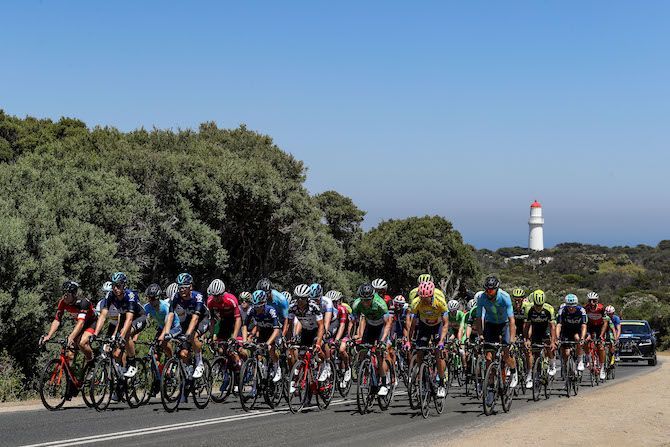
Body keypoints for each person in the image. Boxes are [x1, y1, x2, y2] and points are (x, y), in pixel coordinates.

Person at [473, 275, 518, 406]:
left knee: (505, 353)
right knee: (488, 358)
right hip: (490, 324)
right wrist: (480, 335)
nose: (489, 293)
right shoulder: (482, 298)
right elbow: (478, 318)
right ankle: (491, 388)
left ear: (497, 290)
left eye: (491, 290)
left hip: (504, 324)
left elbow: (512, 320)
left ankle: (514, 372)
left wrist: (512, 339)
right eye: (487, 290)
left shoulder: (504, 297)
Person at [93, 272, 147, 378]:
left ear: (124, 285)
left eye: (118, 285)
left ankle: (132, 363)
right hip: (123, 317)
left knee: (126, 336)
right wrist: (95, 334)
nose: (115, 288)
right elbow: (103, 316)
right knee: (116, 352)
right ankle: (120, 376)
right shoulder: (110, 295)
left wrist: (122, 336)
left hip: (139, 317)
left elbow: (129, 319)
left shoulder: (130, 296)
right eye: (113, 285)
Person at [161, 273, 210, 379]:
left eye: (184, 287)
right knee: (183, 354)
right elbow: (170, 315)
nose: (181, 290)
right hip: (187, 321)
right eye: (180, 287)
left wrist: (187, 334)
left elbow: (196, 318)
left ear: (190, 287)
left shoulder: (198, 297)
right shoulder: (176, 296)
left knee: (192, 335)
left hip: (202, 319)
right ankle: (188, 369)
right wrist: (167, 332)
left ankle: (199, 362)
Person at [41, 281, 97, 372]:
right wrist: (49, 335)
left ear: (74, 294)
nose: (64, 296)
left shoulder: (83, 302)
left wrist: (71, 337)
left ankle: (91, 363)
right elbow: (57, 320)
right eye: (63, 293)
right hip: (80, 324)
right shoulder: (63, 302)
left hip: (91, 323)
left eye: (67, 294)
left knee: (82, 342)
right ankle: (72, 379)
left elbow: (81, 323)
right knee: (69, 354)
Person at [408, 281, 449, 398]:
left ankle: (441, 382)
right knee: (419, 350)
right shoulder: (416, 303)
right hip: (424, 326)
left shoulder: (440, 302)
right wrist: (408, 340)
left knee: (438, 353)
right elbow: (412, 324)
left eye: (427, 298)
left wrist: (441, 341)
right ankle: (423, 377)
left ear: (432, 295)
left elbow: (446, 324)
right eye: (422, 298)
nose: (424, 300)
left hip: (438, 326)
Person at [352, 283, 393, 396]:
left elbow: (388, 323)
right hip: (370, 326)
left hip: (381, 327)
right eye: (363, 300)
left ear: (372, 297)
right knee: (363, 350)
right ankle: (366, 371)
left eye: (368, 300)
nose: (365, 303)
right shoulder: (357, 304)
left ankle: (384, 383)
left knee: (379, 354)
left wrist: (382, 341)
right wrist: (353, 336)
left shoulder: (380, 304)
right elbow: (353, 321)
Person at [287, 284, 324, 391]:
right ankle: (303, 376)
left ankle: (325, 364)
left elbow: (321, 326)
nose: (300, 301)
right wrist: (290, 339)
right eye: (297, 298)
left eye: (302, 298)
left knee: (319, 348)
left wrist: (318, 343)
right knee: (301, 354)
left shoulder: (314, 307)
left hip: (317, 331)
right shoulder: (292, 307)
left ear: (307, 298)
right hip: (306, 331)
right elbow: (289, 325)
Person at [242, 290, 282, 382]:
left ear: (264, 304)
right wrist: (245, 340)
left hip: (274, 331)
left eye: (259, 306)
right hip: (263, 331)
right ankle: (262, 371)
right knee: (258, 351)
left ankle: (277, 367)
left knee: (270, 349)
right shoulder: (251, 310)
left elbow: (276, 330)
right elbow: (244, 325)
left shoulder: (271, 310)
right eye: (255, 306)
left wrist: (268, 343)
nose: (257, 309)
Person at [523, 290, 557, 388]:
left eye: (540, 305)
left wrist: (553, 341)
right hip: (534, 330)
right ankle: (530, 374)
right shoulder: (529, 309)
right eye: (536, 305)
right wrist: (527, 339)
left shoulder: (549, 309)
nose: (538, 308)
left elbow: (552, 327)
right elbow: (527, 326)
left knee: (548, 345)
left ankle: (551, 363)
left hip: (545, 329)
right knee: (532, 351)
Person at [143, 283, 181, 358]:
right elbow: (140, 320)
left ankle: (172, 360)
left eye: (153, 298)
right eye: (149, 298)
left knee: (163, 342)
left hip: (174, 327)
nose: (151, 301)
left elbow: (167, 322)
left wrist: (162, 335)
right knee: (154, 353)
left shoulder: (165, 307)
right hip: (162, 327)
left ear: (158, 298)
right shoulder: (147, 307)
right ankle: (159, 368)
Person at [556, 293, 587, 371]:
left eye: (573, 306)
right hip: (566, 331)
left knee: (577, 339)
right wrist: (557, 337)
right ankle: (567, 366)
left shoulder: (581, 310)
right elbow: (559, 325)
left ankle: (580, 360)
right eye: (569, 305)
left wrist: (582, 338)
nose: (571, 308)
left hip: (577, 330)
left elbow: (584, 325)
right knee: (566, 353)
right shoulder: (562, 310)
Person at [584, 292, 608, 380]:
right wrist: (587, 334)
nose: (592, 303)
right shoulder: (586, 308)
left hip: (599, 327)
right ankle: (588, 357)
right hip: (590, 326)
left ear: (597, 301)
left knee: (600, 347)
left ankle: (602, 368)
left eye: (594, 301)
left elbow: (605, 323)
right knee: (585, 342)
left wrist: (601, 335)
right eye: (590, 301)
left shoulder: (601, 308)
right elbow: (584, 322)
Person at [445, 299, 467, 369]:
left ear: (457, 309)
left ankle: (464, 367)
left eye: (454, 311)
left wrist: (460, 340)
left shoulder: (461, 314)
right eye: (450, 311)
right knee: (449, 341)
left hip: (462, 330)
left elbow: (461, 328)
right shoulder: (447, 314)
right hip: (453, 330)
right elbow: (445, 327)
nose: (452, 313)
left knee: (462, 351)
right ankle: (446, 362)